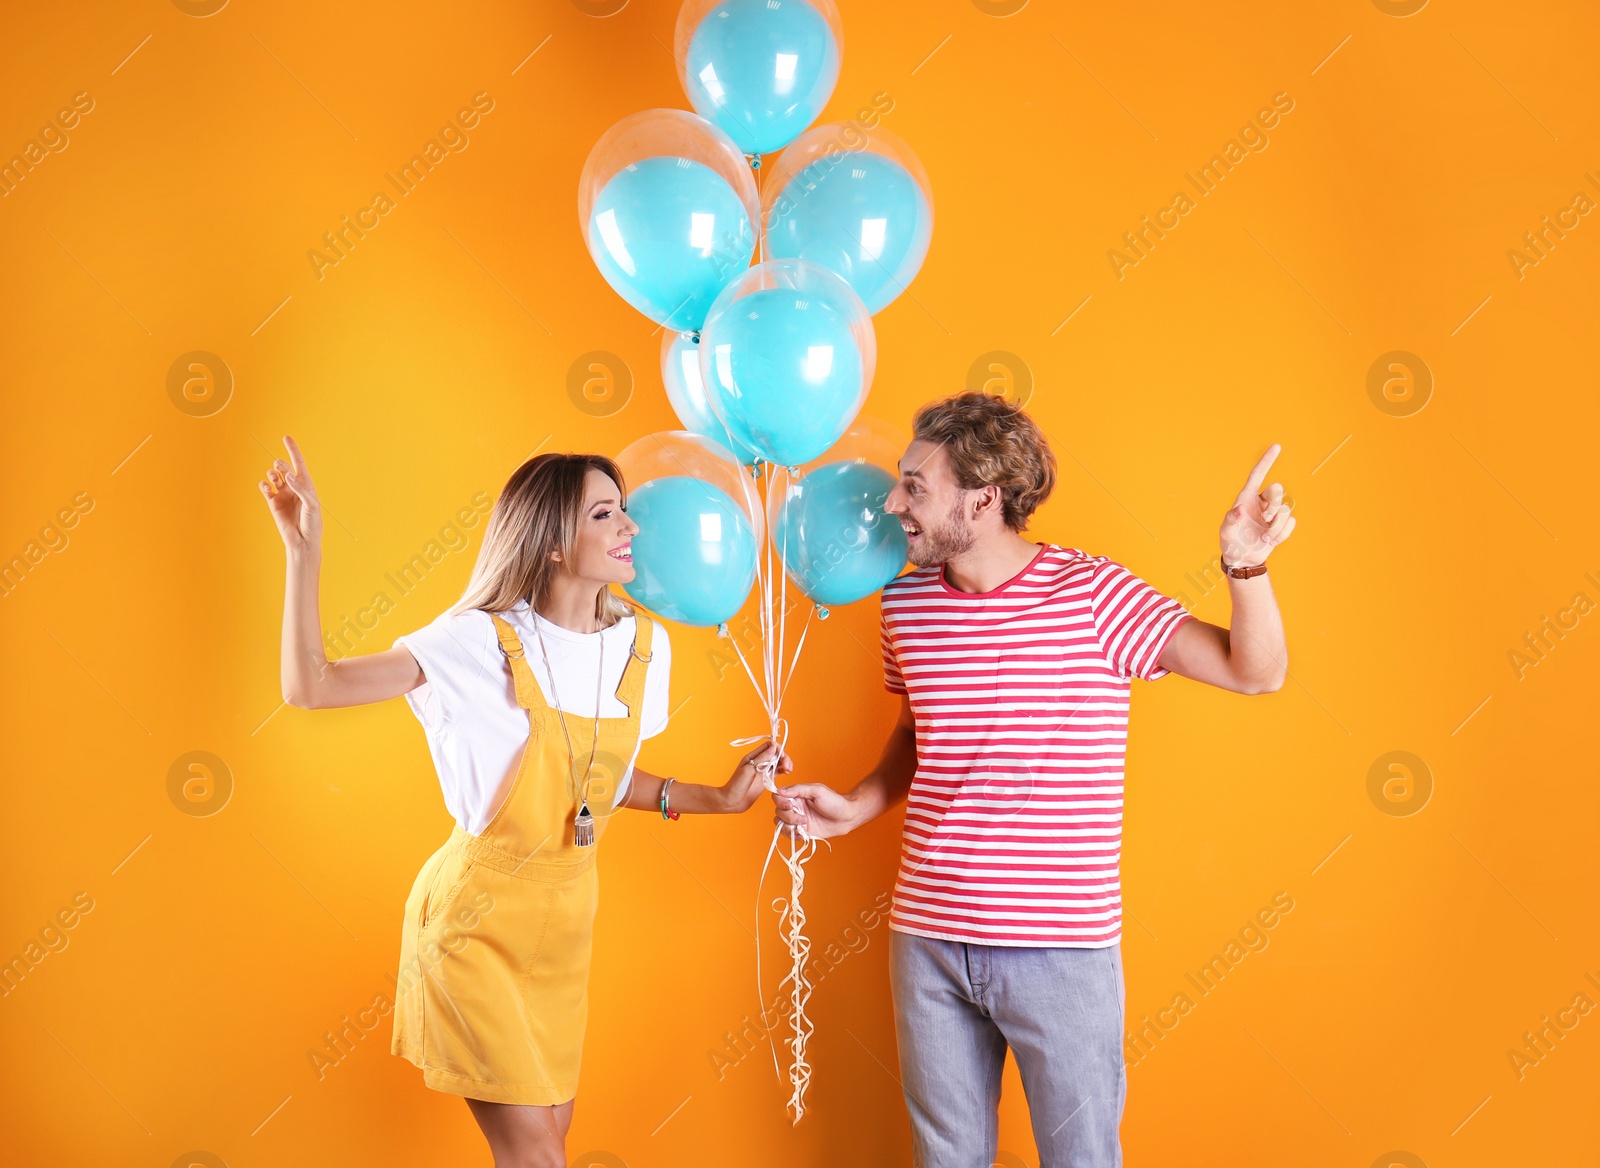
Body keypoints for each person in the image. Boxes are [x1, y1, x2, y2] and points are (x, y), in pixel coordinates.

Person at [773, 392, 1296, 1168]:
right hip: (929, 938)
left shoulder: (1093, 596)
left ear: (983, 500)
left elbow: (1256, 673)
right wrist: (858, 805)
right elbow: (924, 730)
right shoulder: (906, 602)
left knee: (1080, 1157)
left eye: (915, 485)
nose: (893, 503)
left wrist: (1244, 564)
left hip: (1061, 948)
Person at [259, 438, 790, 1168]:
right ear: (549, 541)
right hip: (473, 927)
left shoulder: (643, 646)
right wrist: (303, 547)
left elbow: (600, 781)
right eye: (606, 514)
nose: (630, 527)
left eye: (625, 510)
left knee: (545, 1144)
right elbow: (312, 686)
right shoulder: (475, 642)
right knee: (538, 1155)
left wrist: (721, 798)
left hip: (568, 926)